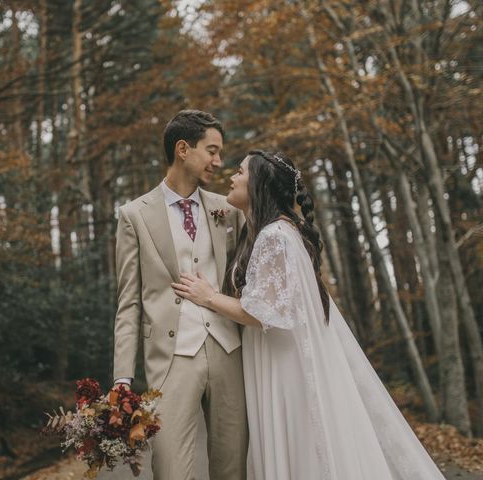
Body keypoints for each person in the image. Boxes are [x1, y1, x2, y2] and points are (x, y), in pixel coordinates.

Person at [172, 150, 447, 480]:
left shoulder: (275, 236)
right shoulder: (274, 231)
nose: (231, 177)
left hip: (283, 363)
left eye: (240, 172)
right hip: (274, 355)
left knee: (298, 446)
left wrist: (209, 297)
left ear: (259, 184)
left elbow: (263, 313)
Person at [112, 110, 248, 480]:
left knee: (233, 466)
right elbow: (129, 302)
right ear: (183, 149)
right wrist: (122, 377)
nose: (219, 162)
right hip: (169, 359)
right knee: (170, 470)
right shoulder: (133, 216)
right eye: (212, 150)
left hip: (228, 351)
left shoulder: (228, 210)